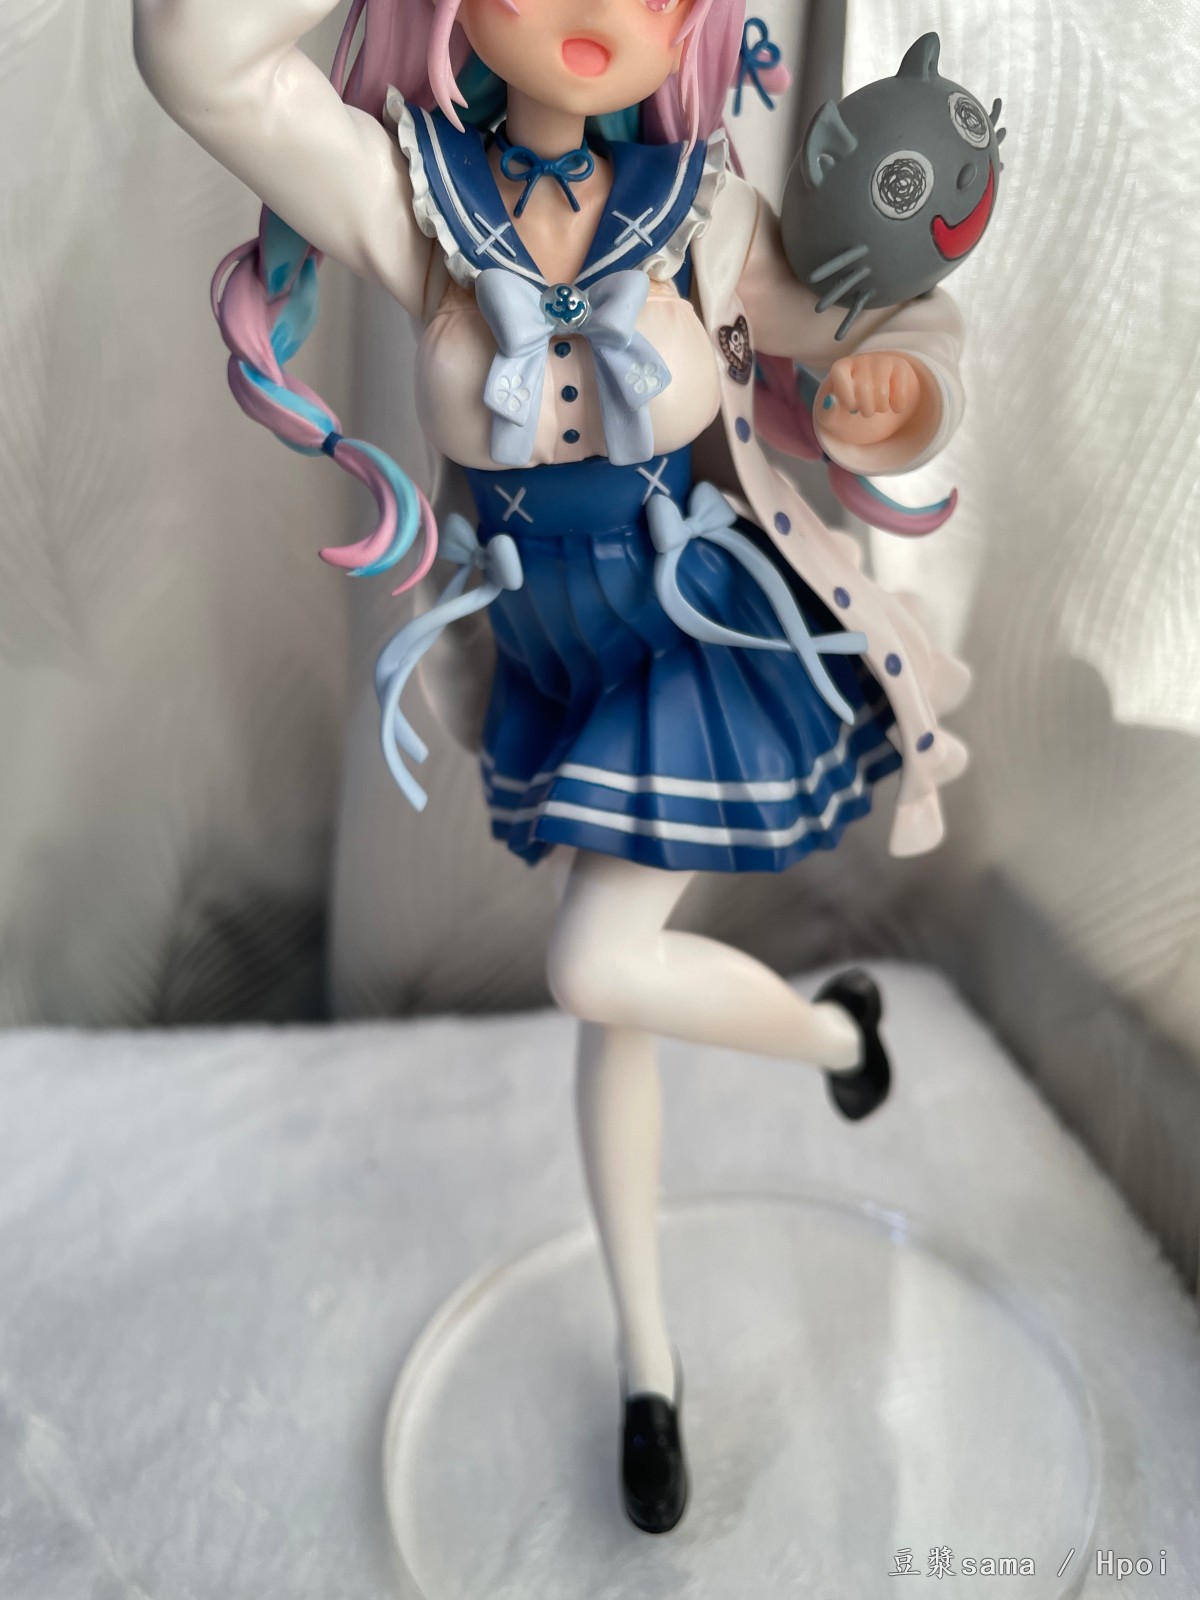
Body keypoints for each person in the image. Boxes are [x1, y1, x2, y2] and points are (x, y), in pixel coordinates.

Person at [133, 0, 972, 1535]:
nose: (595, 12)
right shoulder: (420, 203)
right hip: (554, 663)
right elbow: (199, 59)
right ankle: (650, 1365)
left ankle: (829, 1038)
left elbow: (863, 330)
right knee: (617, 999)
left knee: (595, 968)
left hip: (690, 637)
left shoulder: (703, 205)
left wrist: (894, 394)